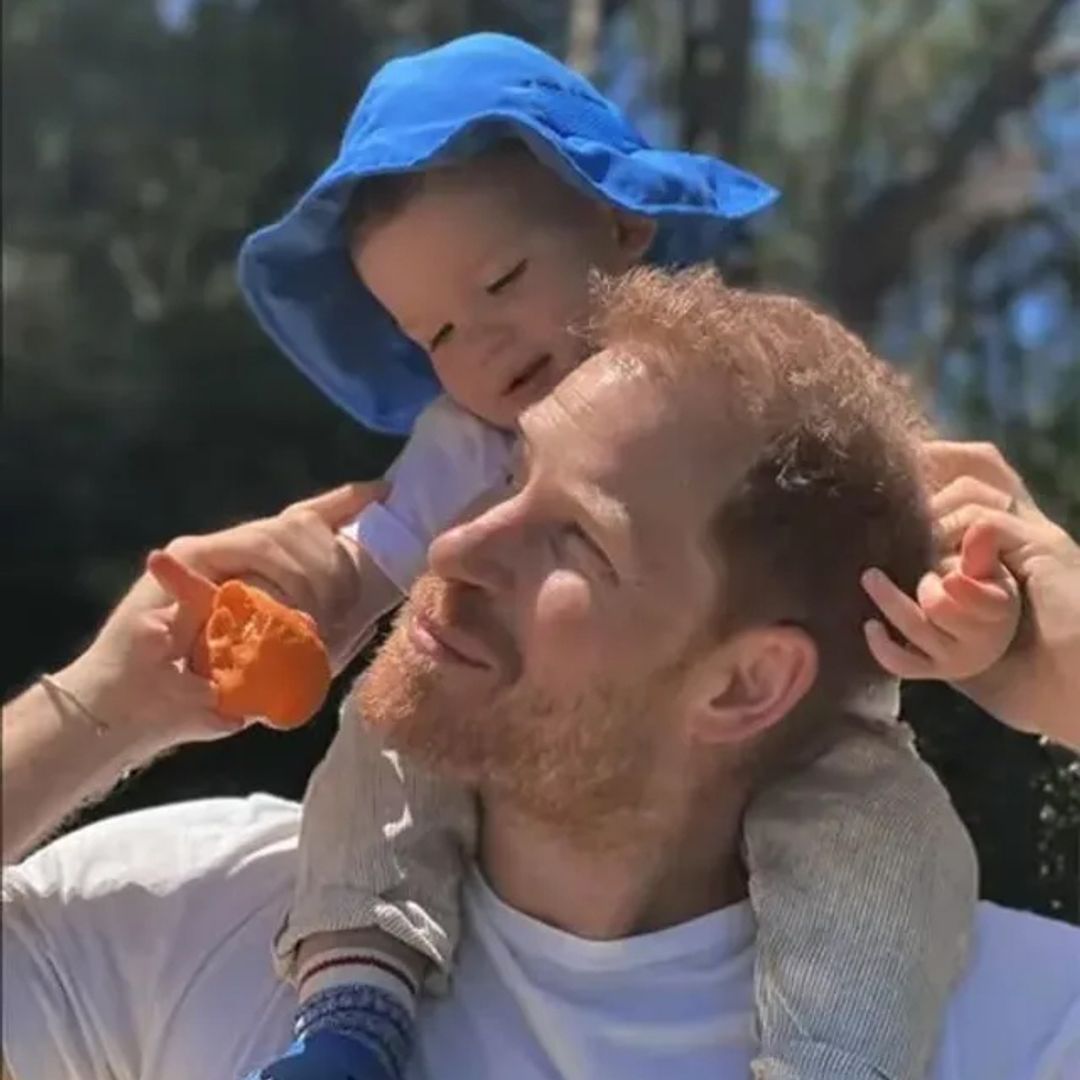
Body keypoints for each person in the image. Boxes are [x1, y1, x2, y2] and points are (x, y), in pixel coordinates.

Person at [5, 270, 1079, 1080]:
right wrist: (104, 705)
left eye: (576, 539)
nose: (460, 547)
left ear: (747, 685)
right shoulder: (210, 914)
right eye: (509, 471)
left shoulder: (1012, 1026)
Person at [230, 32, 988, 1080]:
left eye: (500, 281)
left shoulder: (751, 379)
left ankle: (834, 1059)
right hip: (537, 727)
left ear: (623, 221)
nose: (479, 345)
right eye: (436, 333)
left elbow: (890, 513)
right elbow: (378, 558)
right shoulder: (462, 444)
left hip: (807, 731)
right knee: (386, 723)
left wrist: (966, 612)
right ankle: (354, 1000)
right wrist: (296, 612)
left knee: (887, 832)